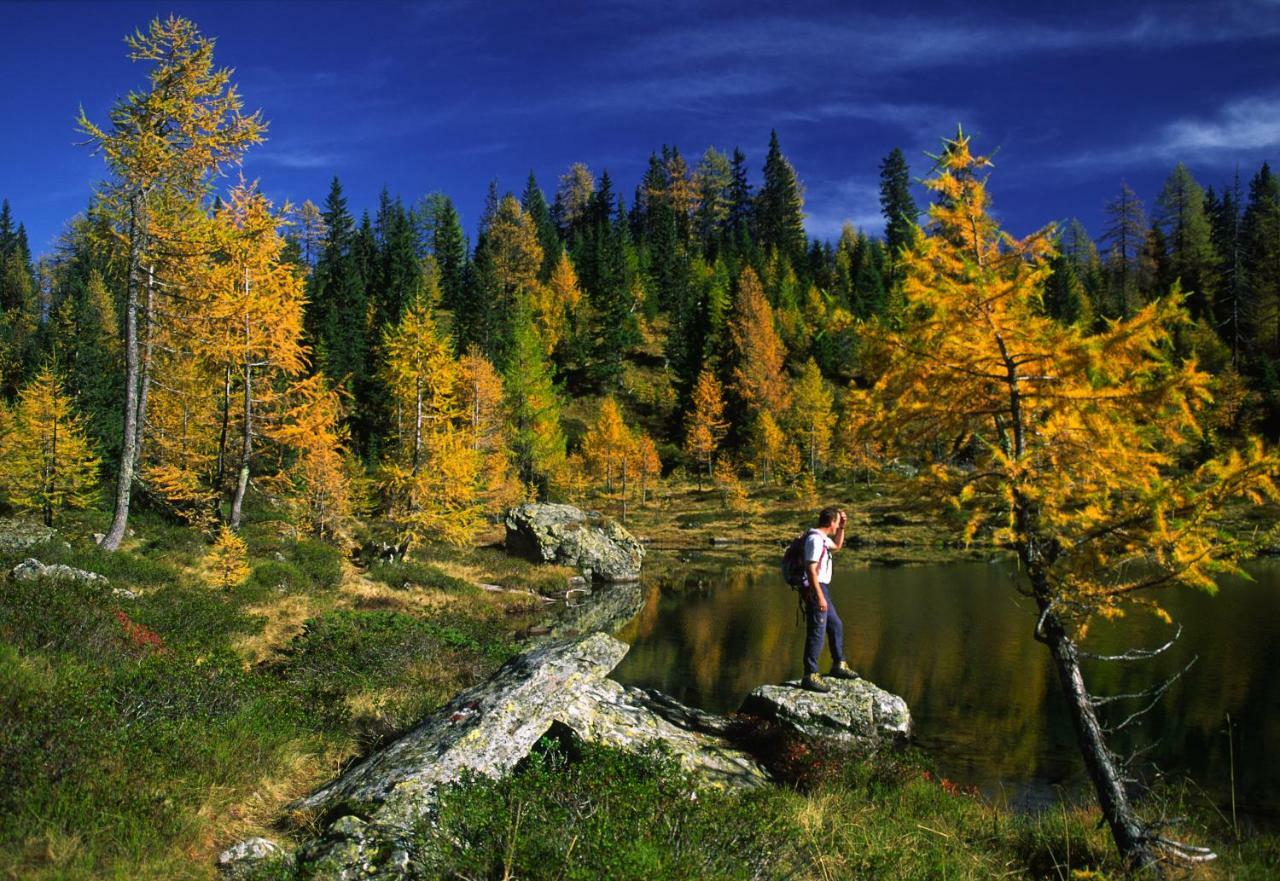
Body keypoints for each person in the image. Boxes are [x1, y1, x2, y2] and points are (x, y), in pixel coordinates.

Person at [800, 506, 858, 693]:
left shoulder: (823, 539)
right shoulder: (815, 540)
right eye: (837, 523)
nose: (837, 526)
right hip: (815, 588)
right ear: (831, 521)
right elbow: (810, 569)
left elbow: (838, 546)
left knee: (835, 625)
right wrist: (819, 596)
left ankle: (838, 665)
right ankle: (810, 675)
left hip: (821, 588)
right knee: (817, 631)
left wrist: (843, 528)